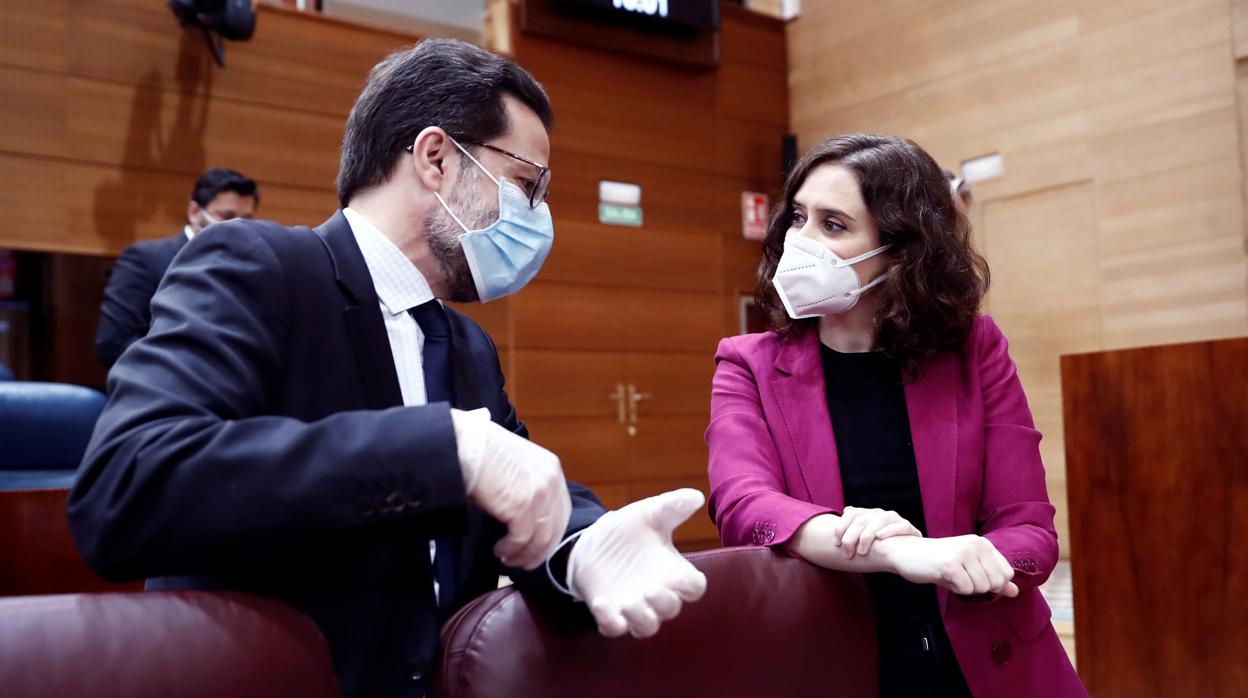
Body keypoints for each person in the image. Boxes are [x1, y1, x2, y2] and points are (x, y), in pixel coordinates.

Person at [69, 39, 707, 698]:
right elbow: (128, 485)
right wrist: (446, 449)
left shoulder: (466, 346)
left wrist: (583, 548)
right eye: (525, 184)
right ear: (435, 158)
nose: (538, 216)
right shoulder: (260, 266)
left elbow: (519, 485)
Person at [705, 134, 1085, 697]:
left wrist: (978, 561)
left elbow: (1029, 530)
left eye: (833, 225)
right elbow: (744, 505)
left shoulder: (975, 350)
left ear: (903, 251)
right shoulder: (748, 363)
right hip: (833, 663)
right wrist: (902, 552)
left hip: (987, 665)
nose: (799, 241)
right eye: (799, 218)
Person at [95, 167, 260, 367]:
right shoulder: (145, 260)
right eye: (226, 217)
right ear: (194, 212)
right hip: (162, 389)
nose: (238, 229)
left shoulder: (252, 269)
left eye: (247, 220)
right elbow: (114, 343)